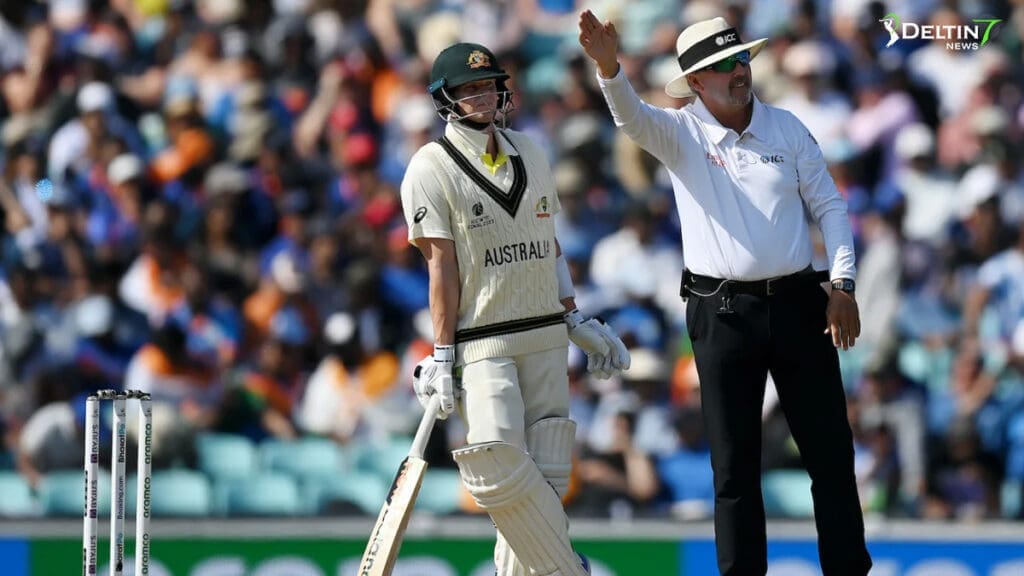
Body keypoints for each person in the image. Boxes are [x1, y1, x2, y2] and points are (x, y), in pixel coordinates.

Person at [578, 11, 871, 576]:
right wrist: (609, 67)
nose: (738, 71)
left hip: (798, 304)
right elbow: (630, 118)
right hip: (722, 313)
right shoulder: (681, 131)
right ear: (695, 82)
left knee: (831, 456)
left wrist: (842, 283)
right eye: (721, 65)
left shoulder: (786, 126)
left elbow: (830, 206)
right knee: (734, 470)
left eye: (740, 59)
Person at [401, 42, 631, 576]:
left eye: (488, 85)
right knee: (498, 468)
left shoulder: (531, 149)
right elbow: (441, 268)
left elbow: (548, 243)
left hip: (546, 333)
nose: (482, 96)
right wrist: (441, 354)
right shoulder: (430, 167)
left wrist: (574, 317)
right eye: (469, 89)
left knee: (547, 478)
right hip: (485, 338)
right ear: (446, 100)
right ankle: (568, 571)